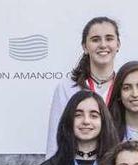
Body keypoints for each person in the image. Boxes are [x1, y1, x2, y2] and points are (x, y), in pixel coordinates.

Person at [47, 17, 120, 157]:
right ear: (85, 47)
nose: (103, 44)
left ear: (118, 44)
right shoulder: (67, 88)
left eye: (109, 38)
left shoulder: (125, 88)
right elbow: (54, 143)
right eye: (95, 39)